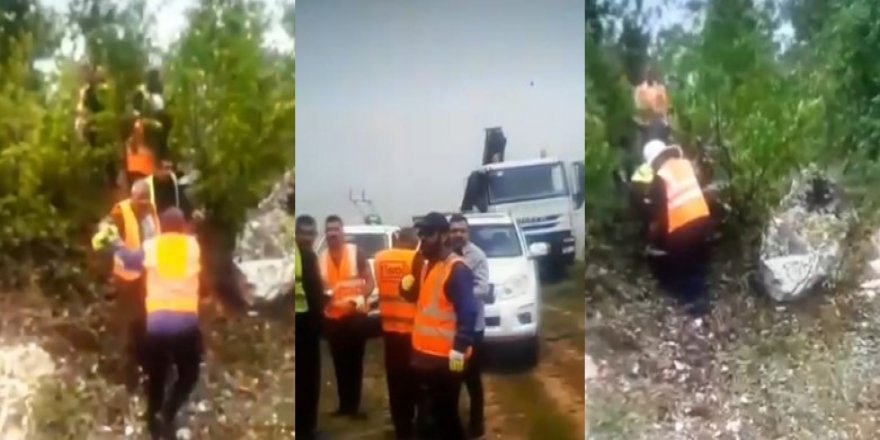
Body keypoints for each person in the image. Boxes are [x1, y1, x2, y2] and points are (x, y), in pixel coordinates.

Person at [115, 207, 202, 439]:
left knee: (157, 375)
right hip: (186, 324)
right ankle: (169, 412)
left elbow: (129, 262)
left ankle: (154, 427)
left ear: (161, 227)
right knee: (189, 374)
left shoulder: (151, 246)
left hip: (157, 326)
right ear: (183, 227)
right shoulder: (193, 247)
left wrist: (114, 244)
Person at [400, 212, 478, 440]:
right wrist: (406, 289)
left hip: (446, 361)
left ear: (444, 236)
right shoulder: (426, 266)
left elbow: (469, 312)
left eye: (429, 234)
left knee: (447, 418)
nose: (422, 239)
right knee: (429, 417)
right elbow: (421, 300)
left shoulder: (457, 269)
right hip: (423, 357)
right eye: (420, 234)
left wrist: (459, 349)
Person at [91, 179, 161, 391]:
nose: (143, 204)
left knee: (148, 323)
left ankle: (148, 367)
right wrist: (113, 242)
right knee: (132, 325)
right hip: (127, 279)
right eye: (140, 201)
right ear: (133, 197)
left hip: (148, 276)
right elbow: (105, 228)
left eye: (146, 201)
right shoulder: (122, 211)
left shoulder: (151, 210)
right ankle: (129, 374)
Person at [642, 139, 713, 316]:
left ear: (655, 160)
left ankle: (695, 308)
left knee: (685, 264)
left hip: (682, 224)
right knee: (698, 260)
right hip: (702, 218)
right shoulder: (685, 165)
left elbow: (660, 212)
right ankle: (703, 298)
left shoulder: (661, 177)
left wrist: (655, 237)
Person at [319, 215, 375, 419]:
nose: (332, 233)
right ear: (325, 234)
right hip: (334, 321)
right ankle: (344, 406)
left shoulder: (356, 252)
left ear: (342, 232)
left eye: (336, 229)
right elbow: (321, 287)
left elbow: (369, 280)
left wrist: (362, 296)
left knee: (355, 364)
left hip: (355, 318)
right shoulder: (321, 258)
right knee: (340, 365)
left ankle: (355, 406)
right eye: (329, 230)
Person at [373, 228, 420, 439]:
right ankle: (414, 422)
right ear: (414, 241)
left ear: (397, 239)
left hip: (389, 330)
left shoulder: (380, 258)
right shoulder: (417, 259)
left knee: (395, 381)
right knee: (414, 380)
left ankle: (400, 425)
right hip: (413, 332)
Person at [449, 214, 489, 439]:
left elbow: (482, 289)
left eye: (461, 230)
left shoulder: (478, 256)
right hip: (451, 330)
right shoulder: (444, 255)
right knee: (453, 376)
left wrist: (458, 294)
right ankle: (452, 426)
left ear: (468, 233)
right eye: (454, 230)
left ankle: (476, 424)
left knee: (472, 379)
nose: (457, 234)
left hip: (473, 330)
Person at [295, 215, 326, 439]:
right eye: (303, 233)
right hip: (305, 325)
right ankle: (307, 429)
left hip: (298, 322)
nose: (307, 238)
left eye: (310, 234)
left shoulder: (296, 255)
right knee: (308, 379)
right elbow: (315, 294)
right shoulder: (306, 257)